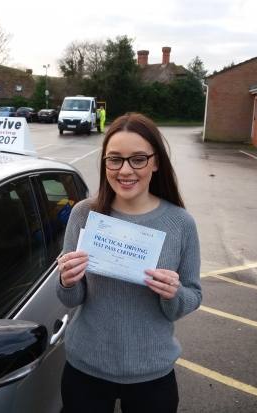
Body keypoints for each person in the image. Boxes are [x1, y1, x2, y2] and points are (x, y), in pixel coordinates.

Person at [55, 112, 202, 413]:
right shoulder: (84, 215)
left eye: (138, 159)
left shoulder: (180, 223)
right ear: (105, 163)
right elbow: (71, 296)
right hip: (86, 367)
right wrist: (67, 281)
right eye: (115, 159)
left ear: (156, 162)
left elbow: (193, 295)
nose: (125, 170)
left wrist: (174, 293)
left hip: (151, 372)